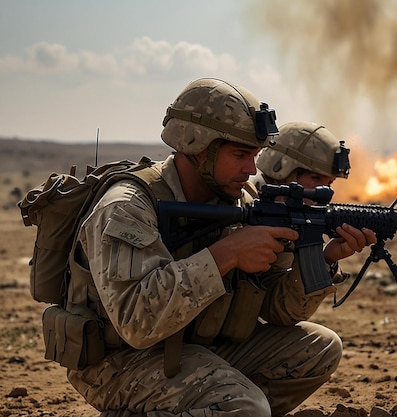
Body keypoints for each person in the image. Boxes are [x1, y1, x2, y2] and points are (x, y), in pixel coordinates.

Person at [63, 78, 375, 416]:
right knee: (246, 408)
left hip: (195, 345)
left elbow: (278, 310)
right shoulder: (127, 207)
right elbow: (138, 323)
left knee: (319, 348)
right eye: (240, 154)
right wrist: (227, 254)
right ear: (197, 146)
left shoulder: (243, 201)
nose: (251, 169)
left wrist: (324, 259)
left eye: (255, 155)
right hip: (120, 362)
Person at [251, 121, 376, 275]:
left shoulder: (289, 220)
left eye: (329, 183)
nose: (324, 192)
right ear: (281, 170)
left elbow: (278, 298)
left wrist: (326, 260)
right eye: (315, 178)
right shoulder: (244, 212)